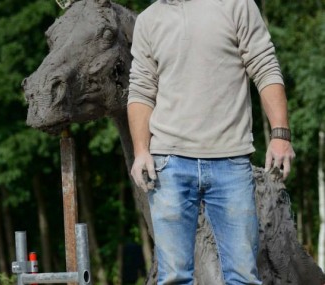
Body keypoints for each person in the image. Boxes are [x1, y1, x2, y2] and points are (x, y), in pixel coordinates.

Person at [127, 0, 296, 284]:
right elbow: (141, 90)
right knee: (173, 279)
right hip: (168, 163)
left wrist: (280, 135)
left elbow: (266, 68)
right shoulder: (148, 20)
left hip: (231, 161)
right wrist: (141, 150)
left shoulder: (236, 5)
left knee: (243, 277)